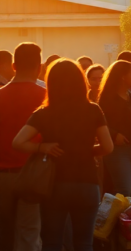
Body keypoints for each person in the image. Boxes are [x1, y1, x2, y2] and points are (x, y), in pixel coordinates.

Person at [12, 58, 113, 251]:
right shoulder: (93, 109)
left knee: (52, 242)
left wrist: (42, 148)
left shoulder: (43, 113)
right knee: (84, 242)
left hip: (54, 185)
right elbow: (108, 147)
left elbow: (18, 142)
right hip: (87, 183)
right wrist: (87, 152)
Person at [0, 43, 46, 251]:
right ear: (39, 67)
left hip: (2, 174)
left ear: (14, 65)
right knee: (29, 232)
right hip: (35, 175)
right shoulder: (46, 97)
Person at [99, 61, 131, 196]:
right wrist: (114, 135)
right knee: (124, 191)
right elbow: (99, 123)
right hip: (119, 150)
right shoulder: (107, 98)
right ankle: (119, 218)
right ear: (122, 76)